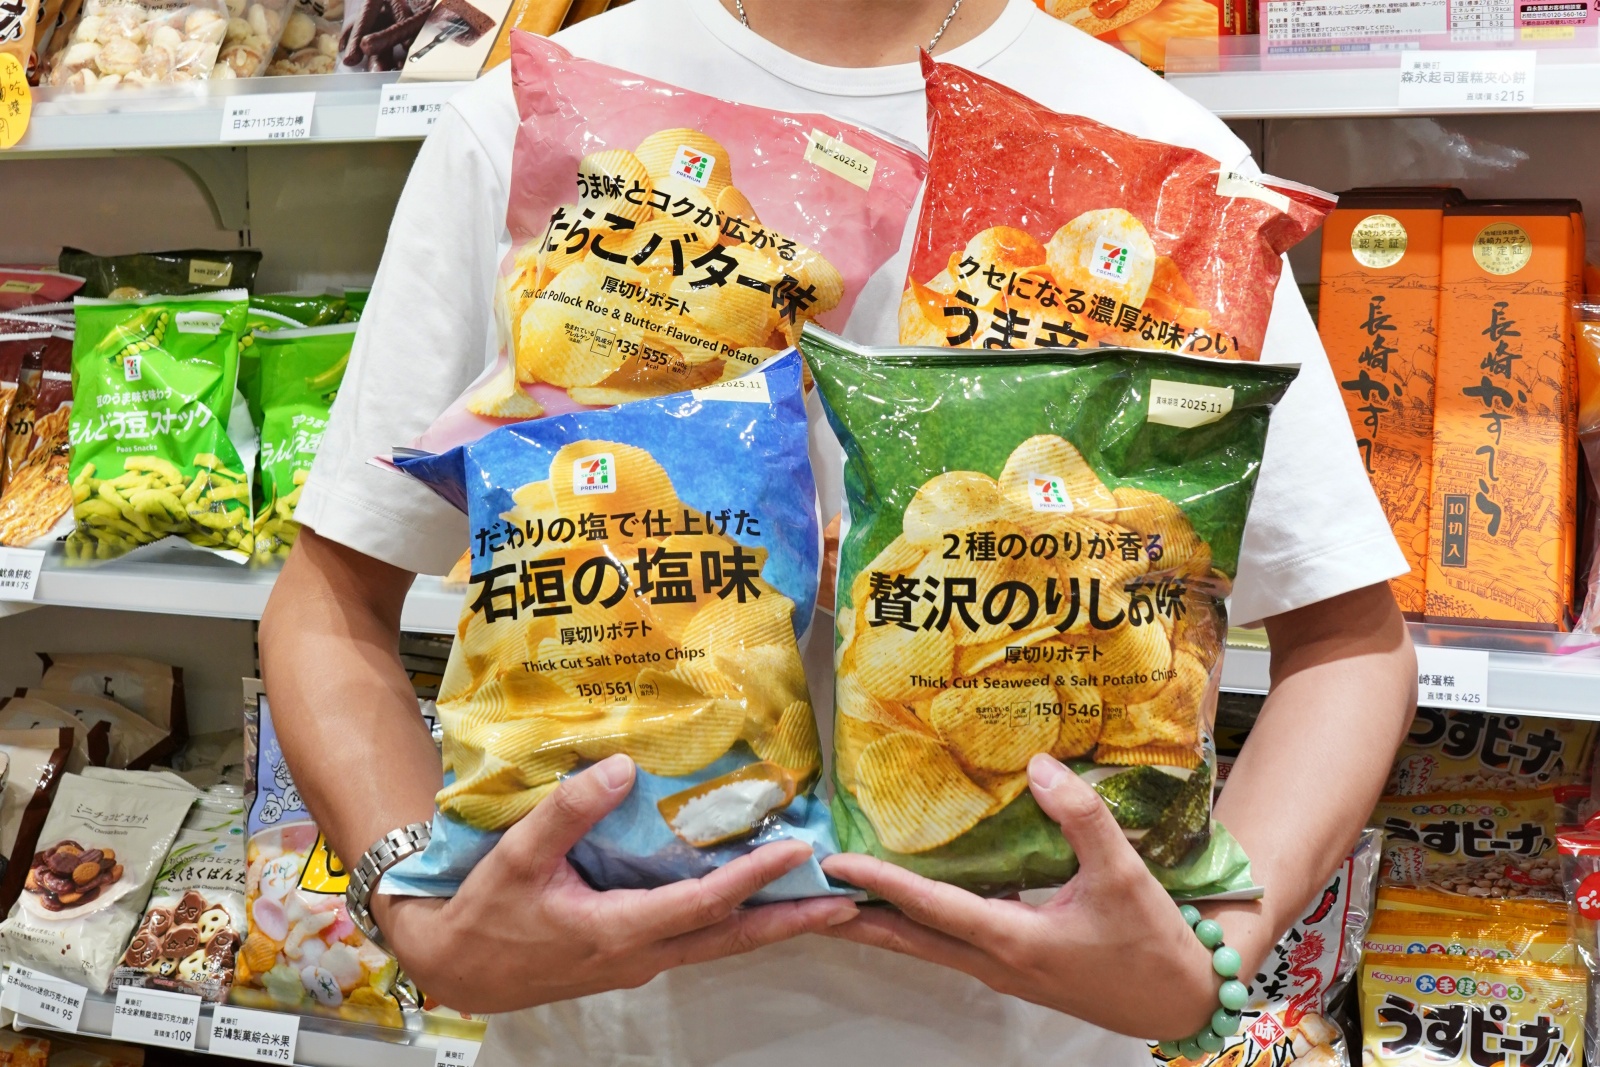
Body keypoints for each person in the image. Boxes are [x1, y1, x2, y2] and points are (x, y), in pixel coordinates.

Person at [257, 1, 1418, 1063]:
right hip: (606, 1037)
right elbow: (329, 601)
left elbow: (1348, 644)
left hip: (1038, 1043)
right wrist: (413, 906)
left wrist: (1211, 955)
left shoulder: (1162, 158)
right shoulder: (534, 108)